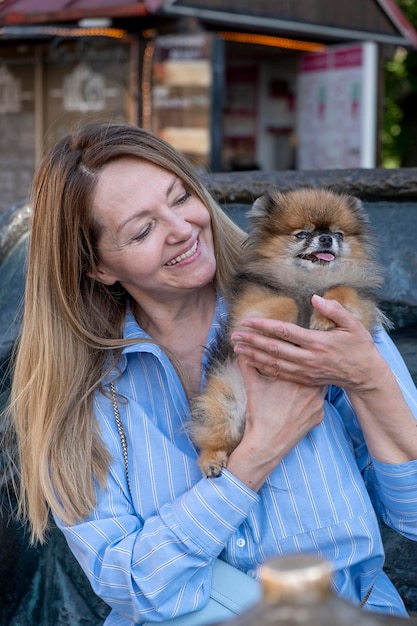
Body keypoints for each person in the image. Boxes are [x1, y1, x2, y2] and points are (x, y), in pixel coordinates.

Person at [7, 121, 417, 625]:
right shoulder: (83, 392)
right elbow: (130, 583)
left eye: (180, 199)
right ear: (98, 266)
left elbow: (413, 515)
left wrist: (368, 379)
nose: (181, 229)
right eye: (142, 229)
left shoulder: (328, 310)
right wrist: (254, 457)